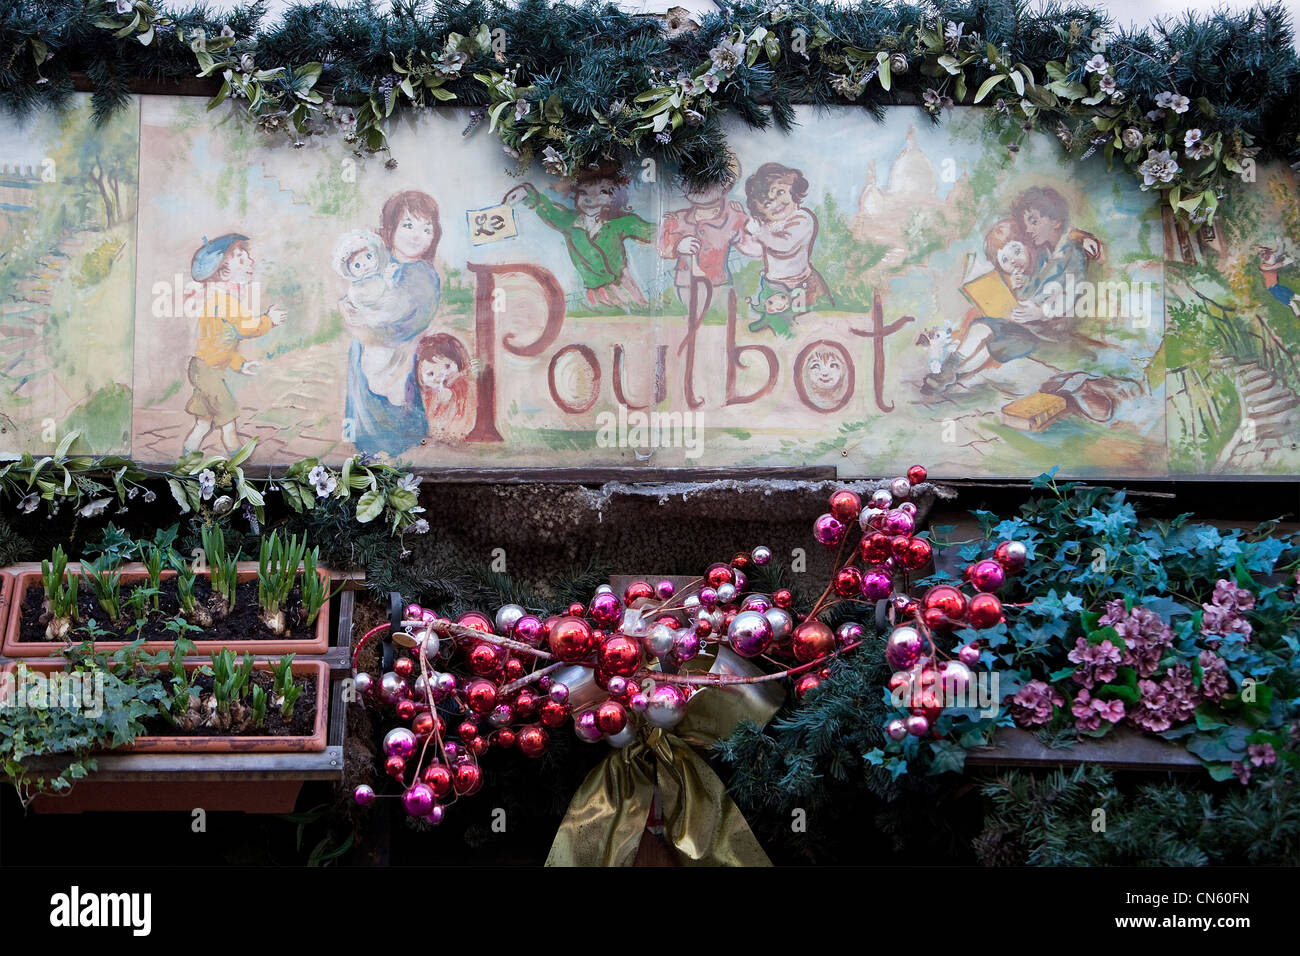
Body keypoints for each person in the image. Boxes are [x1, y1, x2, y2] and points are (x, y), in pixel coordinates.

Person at [925, 187, 1102, 391]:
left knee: (982, 327)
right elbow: (1034, 288)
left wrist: (1042, 312)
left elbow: (1070, 297)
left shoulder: (1072, 254)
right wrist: (1019, 287)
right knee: (988, 336)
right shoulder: (1042, 251)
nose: (1028, 229)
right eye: (1026, 223)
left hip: (1048, 330)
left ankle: (948, 371)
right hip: (1028, 327)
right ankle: (949, 377)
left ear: (1056, 221)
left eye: (1034, 221)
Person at [341, 190, 442, 457]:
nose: (416, 234)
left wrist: (372, 331)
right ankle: (367, 443)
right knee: (366, 399)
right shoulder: (379, 262)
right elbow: (359, 289)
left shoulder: (424, 275)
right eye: (408, 225)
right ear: (390, 229)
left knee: (398, 399)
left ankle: (397, 444)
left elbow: (414, 317)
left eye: (426, 228)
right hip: (366, 345)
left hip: (397, 347)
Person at [182, 233, 286, 453]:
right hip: (208, 372)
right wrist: (269, 320)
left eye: (247, 254)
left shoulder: (218, 301)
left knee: (204, 421)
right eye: (240, 258)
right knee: (227, 417)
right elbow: (247, 328)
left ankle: (187, 453)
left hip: (202, 368)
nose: (250, 260)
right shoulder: (226, 302)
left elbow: (221, 344)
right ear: (222, 272)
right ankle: (239, 457)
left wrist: (240, 364)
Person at [505, 162, 656, 309]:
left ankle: (639, 305)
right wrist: (527, 194)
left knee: (636, 304)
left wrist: (671, 230)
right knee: (606, 311)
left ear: (614, 197)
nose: (590, 198)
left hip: (622, 278)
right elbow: (550, 211)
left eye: (602, 192)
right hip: (595, 285)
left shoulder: (619, 222)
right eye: (583, 192)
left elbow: (646, 230)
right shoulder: (570, 222)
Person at [735, 162, 832, 337]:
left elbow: (784, 246)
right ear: (760, 210)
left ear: (793, 189)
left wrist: (759, 231)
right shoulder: (769, 226)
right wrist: (739, 240)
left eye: (780, 192)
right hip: (773, 283)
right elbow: (759, 251)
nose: (776, 204)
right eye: (767, 203)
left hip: (800, 281)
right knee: (771, 310)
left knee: (800, 315)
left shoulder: (802, 218)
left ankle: (788, 336)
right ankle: (768, 320)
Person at [1258, 244, 1300, 317]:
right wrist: (1286, 262)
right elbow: (1273, 267)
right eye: (1272, 257)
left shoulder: (1271, 263)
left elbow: (1276, 264)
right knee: (1292, 304)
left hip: (1278, 287)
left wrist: (1287, 260)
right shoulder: (1263, 266)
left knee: (1296, 297)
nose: (1274, 258)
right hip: (1274, 290)